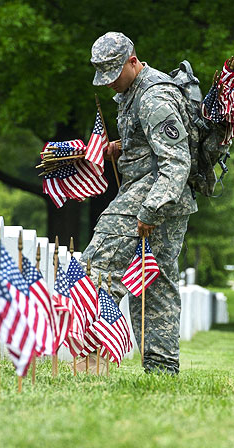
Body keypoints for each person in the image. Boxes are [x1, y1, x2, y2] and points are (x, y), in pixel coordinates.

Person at [80, 32, 197, 375]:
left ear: (133, 61)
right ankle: (161, 371)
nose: (110, 83)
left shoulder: (154, 97)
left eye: (114, 74)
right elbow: (152, 142)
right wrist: (121, 147)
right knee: (154, 285)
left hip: (157, 196)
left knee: (99, 262)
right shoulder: (133, 92)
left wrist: (151, 209)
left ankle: (91, 355)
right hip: (159, 194)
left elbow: (176, 162)